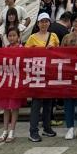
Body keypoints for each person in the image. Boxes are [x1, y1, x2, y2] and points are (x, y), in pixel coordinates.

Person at [26, 14, 60, 142]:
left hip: (50, 73)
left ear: (49, 23)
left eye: (46, 21)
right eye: (42, 21)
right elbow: (25, 54)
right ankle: (33, 131)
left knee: (48, 102)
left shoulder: (54, 36)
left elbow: (59, 53)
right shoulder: (32, 38)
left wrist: (53, 49)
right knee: (36, 103)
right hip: (37, 73)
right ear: (38, 23)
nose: (44, 24)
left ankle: (47, 127)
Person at [0, 26, 25, 143]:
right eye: (10, 36)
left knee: (14, 106)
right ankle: (5, 130)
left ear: (18, 36)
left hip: (17, 81)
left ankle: (12, 130)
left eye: (14, 35)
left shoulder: (22, 49)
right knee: (6, 107)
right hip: (6, 81)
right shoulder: (5, 49)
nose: (12, 38)